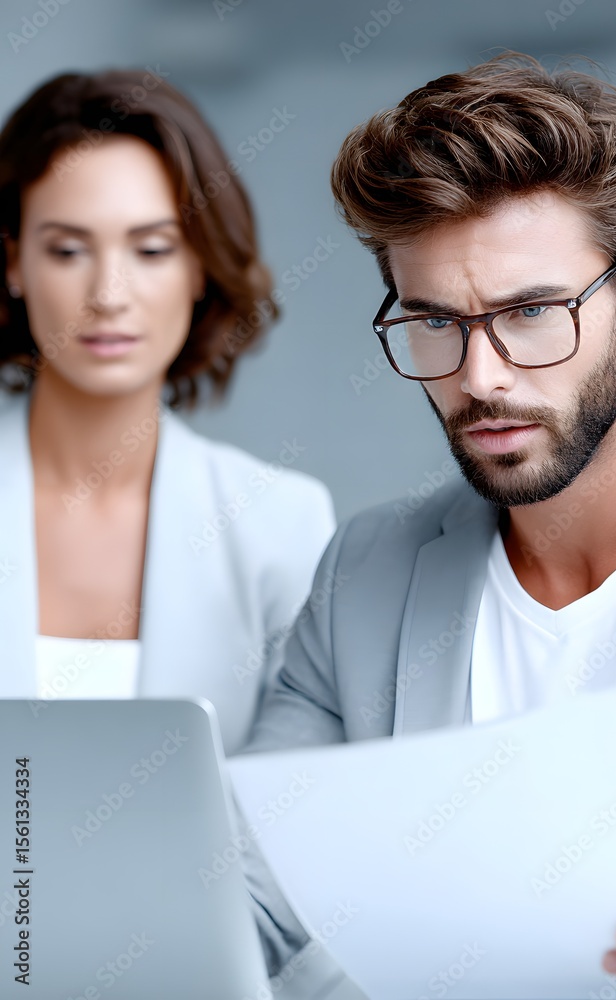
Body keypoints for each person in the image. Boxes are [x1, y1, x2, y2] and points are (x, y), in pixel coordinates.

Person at [247, 53, 616, 998]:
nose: (480, 377)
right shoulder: (368, 573)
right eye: (433, 323)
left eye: (529, 313)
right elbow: (257, 902)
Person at [0, 69, 335, 756]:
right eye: (67, 250)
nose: (109, 293)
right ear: (13, 263)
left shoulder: (281, 527)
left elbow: (290, 820)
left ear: (198, 269)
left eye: (151, 249)